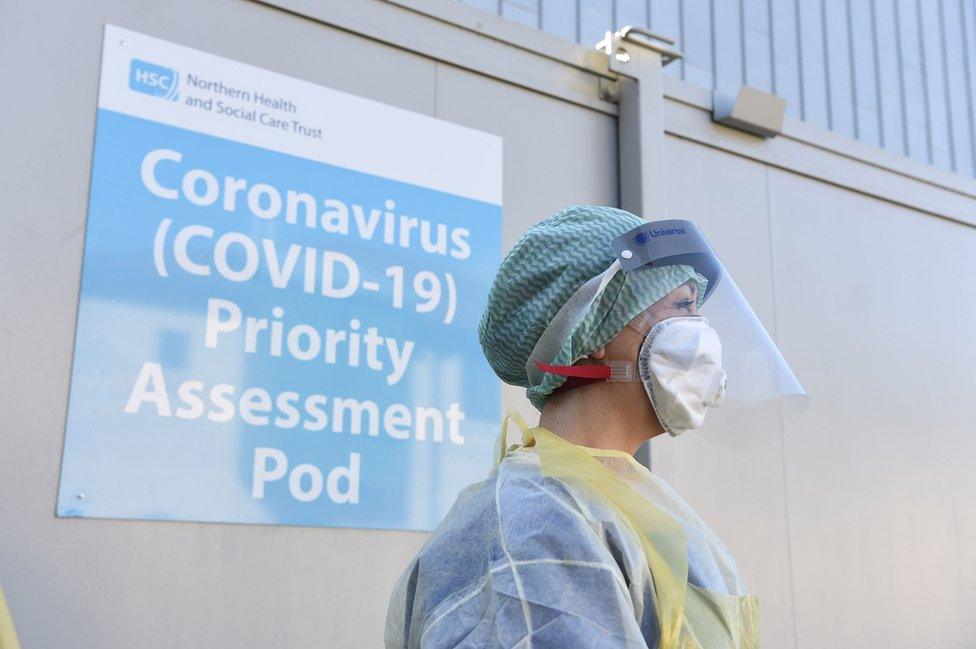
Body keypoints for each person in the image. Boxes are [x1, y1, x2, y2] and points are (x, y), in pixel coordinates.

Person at [385, 205, 804, 648]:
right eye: (682, 306)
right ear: (594, 329)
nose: (702, 335)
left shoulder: (619, 505)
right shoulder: (539, 523)